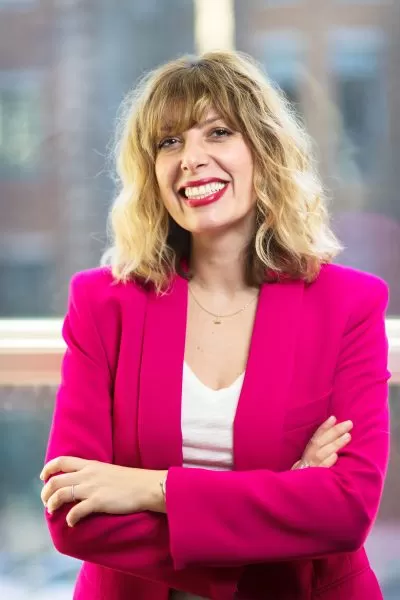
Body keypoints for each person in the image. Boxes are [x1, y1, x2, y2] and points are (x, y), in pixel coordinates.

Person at [40, 51, 390, 600]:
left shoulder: (348, 305)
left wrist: (150, 489)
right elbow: (71, 512)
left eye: (218, 132)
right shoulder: (103, 304)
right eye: (169, 142)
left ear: (264, 150)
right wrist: (286, 501)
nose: (191, 159)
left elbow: (345, 511)